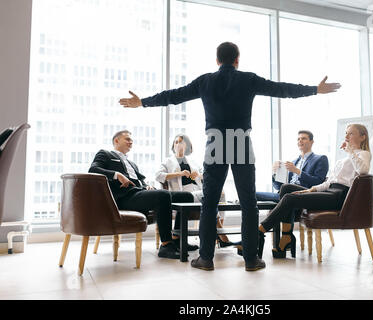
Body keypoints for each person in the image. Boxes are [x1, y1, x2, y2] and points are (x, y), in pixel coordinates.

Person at [119, 41, 341, 271]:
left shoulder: (205, 81)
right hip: (241, 142)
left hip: (215, 142)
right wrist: (315, 89)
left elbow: (174, 96)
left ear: (217, 61)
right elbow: (282, 89)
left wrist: (142, 102)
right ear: (237, 60)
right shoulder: (248, 79)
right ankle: (252, 260)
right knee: (248, 203)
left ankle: (205, 258)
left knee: (210, 203)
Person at [258, 124, 371, 258]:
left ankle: (260, 231)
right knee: (287, 188)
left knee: (289, 198)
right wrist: (310, 190)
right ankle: (286, 236)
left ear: (362, 137)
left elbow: (363, 171)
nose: (346, 136)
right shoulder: (343, 160)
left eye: (350, 134)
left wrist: (351, 151)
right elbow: (328, 183)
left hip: (340, 196)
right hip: (330, 191)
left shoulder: (364, 154)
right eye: (346, 133)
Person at [88, 130, 195, 259]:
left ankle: (177, 238)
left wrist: (147, 186)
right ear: (116, 141)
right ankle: (166, 245)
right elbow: (93, 169)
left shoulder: (132, 164)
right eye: (127, 139)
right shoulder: (105, 154)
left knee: (186, 197)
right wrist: (117, 175)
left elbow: (140, 181)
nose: (131, 142)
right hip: (124, 197)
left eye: (131, 140)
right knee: (163, 195)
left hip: (139, 193)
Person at [155, 133, 236, 247]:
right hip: (183, 194)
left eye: (181, 142)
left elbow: (206, 175)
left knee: (221, 193)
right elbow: (158, 175)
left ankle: (218, 233)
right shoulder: (168, 161)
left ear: (187, 145)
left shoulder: (192, 161)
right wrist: (179, 173)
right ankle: (221, 236)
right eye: (176, 142)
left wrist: (198, 174)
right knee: (210, 196)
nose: (178, 144)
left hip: (198, 191)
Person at [256, 130, 328, 202]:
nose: (300, 141)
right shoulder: (294, 161)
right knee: (253, 194)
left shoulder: (321, 159)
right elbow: (279, 187)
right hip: (286, 193)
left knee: (287, 187)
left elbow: (318, 182)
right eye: (298, 139)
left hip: (305, 193)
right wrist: (275, 173)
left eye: (303, 138)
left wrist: (297, 171)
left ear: (312, 142)